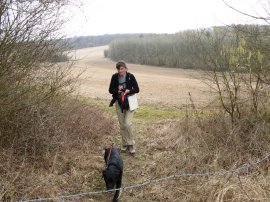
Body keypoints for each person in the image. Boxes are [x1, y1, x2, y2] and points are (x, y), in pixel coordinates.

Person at [109, 60, 139, 154]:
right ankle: (124, 144)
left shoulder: (130, 76)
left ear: (125, 68)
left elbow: (137, 89)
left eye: (122, 69)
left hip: (130, 103)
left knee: (128, 123)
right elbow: (110, 90)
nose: (120, 71)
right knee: (122, 125)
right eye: (118, 69)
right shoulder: (114, 77)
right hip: (119, 103)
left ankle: (131, 144)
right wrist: (117, 91)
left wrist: (128, 91)